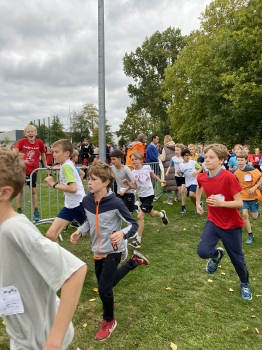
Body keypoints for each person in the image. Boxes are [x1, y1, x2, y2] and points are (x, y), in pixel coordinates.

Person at [0, 147, 87, 349]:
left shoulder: (14, 229)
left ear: (4, 193)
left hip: (39, 339)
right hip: (21, 335)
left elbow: (75, 271)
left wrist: (53, 343)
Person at [70, 160, 149, 341]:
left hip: (114, 250)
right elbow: (88, 222)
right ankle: (134, 262)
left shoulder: (115, 203)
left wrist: (122, 233)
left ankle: (109, 321)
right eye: (88, 179)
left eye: (94, 179)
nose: (89, 182)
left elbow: (133, 224)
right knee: (107, 284)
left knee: (104, 289)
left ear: (106, 182)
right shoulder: (87, 201)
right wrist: (79, 232)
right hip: (97, 249)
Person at [196, 143, 252, 300]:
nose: (207, 160)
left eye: (211, 157)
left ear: (221, 160)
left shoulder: (228, 177)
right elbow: (199, 186)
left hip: (231, 225)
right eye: (205, 157)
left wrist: (221, 204)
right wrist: (197, 203)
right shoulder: (202, 176)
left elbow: (239, 203)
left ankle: (245, 283)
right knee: (203, 252)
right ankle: (217, 255)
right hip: (213, 222)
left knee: (237, 260)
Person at [45, 139, 86, 243]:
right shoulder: (65, 165)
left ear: (67, 153)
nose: (53, 154)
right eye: (53, 151)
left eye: (56, 152)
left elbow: (73, 188)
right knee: (51, 235)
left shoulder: (67, 166)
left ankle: (115, 248)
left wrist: (53, 184)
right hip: (70, 206)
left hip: (79, 205)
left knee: (95, 235)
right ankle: (59, 259)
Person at [127, 151, 169, 249]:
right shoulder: (132, 173)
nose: (134, 161)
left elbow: (152, 174)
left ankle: (138, 240)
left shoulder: (147, 167)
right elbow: (135, 186)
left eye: (136, 159)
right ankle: (162, 215)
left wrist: (160, 180)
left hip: (149, 195)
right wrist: (128, 185)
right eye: (132, 160)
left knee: (140, 216)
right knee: (152, 213)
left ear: (141, 160)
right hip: (141, 196)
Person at [15, 124, 49, 221]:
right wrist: (18, 161)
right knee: (20, 190)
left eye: (32, 131)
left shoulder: (39, 142)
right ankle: (19, 210)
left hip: (33, 171)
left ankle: (36, 211)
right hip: (21, 170)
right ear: (25, 134)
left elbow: (43, 153)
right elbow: (15, 151)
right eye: (28, 132)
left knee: (33, 191)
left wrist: (45, 164)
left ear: (36, 133)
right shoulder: (22, 141)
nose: (30, 133)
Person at [234, 150, 262, 244]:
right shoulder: (236, 173)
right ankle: (250, 235)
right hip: (243, 197)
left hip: (253, 196)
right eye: (238, 160)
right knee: (245, 215)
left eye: (241, 160)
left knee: (254, 217)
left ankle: (257, 212)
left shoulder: (251, 170)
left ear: (246, 160)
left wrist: (254, 187)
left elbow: (260, 178)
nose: (240, 162)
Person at [166, 143, 187, 213]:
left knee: (182, 191)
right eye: (175, 150)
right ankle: (183, 197)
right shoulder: (173, 158)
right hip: (177, 176)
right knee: (181, 192)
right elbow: (170, 166)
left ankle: (183, 207)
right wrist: (167, 172)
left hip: (184, 176)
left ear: (181, 151)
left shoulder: (183, 158)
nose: (176, 151)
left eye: (178, 150)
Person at [159, 135, 178, 205]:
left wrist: (159, 157)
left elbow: (163, 158)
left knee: (168, 184)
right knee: (176, 182)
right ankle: (177, 196)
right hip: (175, 167)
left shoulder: (165, 148)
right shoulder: (176, 147)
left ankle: (170, 199)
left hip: (168, 168)